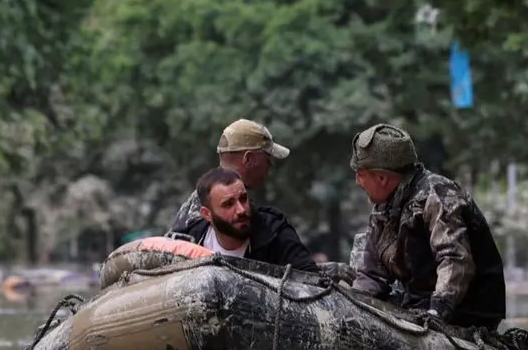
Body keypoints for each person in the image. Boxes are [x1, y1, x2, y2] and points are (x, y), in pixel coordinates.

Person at [347, 122, 507, 329]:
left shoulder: (438, 195)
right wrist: (354, 303)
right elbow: (371, 274)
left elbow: (454, 258)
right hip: (417, 303)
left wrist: (437, 311)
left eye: (360, 174)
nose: (357, 182)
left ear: (381, 178)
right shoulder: (384, 207)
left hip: (465, 310)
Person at [173, 167, 320, 270]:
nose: (241, 210)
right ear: (207, 214)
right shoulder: (190, 240)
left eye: (243, 199)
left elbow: (310, 279)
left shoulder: (274, 232)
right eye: (228, 204)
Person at [166, 119, 293, 232]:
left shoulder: (202, 198)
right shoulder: (217, 215)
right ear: (248, 159)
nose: (270, 166)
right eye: (267, 159)